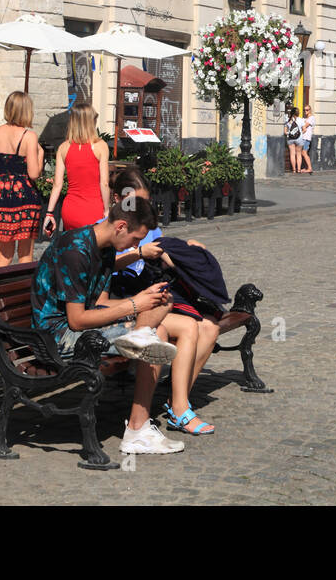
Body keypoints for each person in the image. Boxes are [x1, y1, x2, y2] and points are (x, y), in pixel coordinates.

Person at [33, 197, 184, 454]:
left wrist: (145, 301)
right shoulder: (75, 250)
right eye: (136, 239)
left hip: (79, 326)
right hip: (56, 336)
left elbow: (101, 304)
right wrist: (134, 306)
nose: (136, 247)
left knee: (161, 305)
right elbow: (76, 320)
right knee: (156, 333)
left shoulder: (105, 247)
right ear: (121, 226)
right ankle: (137, 431)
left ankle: (139, 337)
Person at [108, 167, 221, 436]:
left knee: (211, 327)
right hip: (123, 298)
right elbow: (100, 266)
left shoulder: (145, 224)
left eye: (144, 202)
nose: (141, 209)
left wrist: (187, 253)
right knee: (190, 327)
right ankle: (180, 409)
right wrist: (137, 253)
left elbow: (165, 257)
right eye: (135, 202)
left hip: (151, 294)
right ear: (117, 199)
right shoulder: (109, 224)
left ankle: (177, 402)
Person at [0, 91, 46, 268]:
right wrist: (41, 155)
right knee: (25, 256)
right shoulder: (29, 136)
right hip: (24, 198)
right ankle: (23, 292)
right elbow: (34, 174)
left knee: (3, 256)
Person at [43, 104, 110, 235]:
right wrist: (107, 210)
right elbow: (104, 183)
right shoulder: (100, 146)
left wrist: (49, 213)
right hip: (94, 208)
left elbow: (57, 185)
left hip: (70, 209)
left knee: (74, 248)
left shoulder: (63, 147)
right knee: (92, 250)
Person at [285, 107, 304, 174]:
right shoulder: (301, 120)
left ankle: (293, 170)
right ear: (298, 113)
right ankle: (298, 169)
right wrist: (300, 133)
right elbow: (304, 129)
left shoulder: (288, 120)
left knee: (292, 154)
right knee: (299, 154)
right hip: (299, 138)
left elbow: (285, 132)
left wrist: (290, 133)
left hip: (290, 139)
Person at [298, 104, 315, 173]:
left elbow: (305, 126)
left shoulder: (312, 118)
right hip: (303, 137)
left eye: (307, 110)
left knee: (304, 152)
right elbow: (301, 126)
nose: (305, 111)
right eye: (304, 110)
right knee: (302, 153)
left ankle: (310, 168)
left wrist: (303, 126)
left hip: (306, 138)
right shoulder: (304, 119)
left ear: (310, 110)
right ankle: (306, 167)